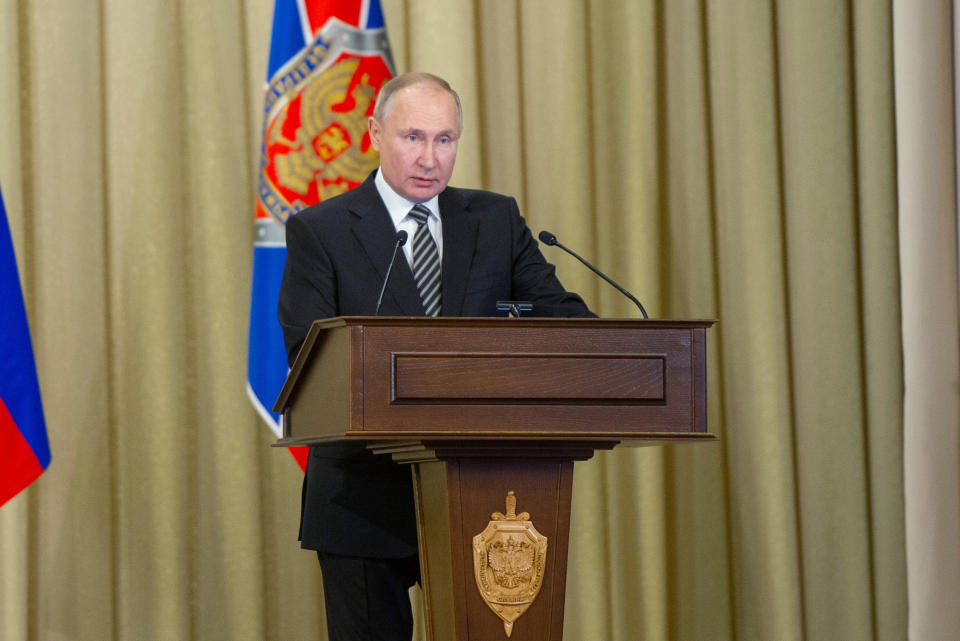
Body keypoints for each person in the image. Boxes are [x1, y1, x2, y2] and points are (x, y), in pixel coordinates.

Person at [277, 71, 594, 641]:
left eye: (444, 140)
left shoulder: (495, 221)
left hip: (487, 497)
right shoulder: (319, 231)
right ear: (375, 132)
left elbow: (564, 320)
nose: (430, 158)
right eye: (413, 137)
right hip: (362, 500)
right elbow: (310, 357)